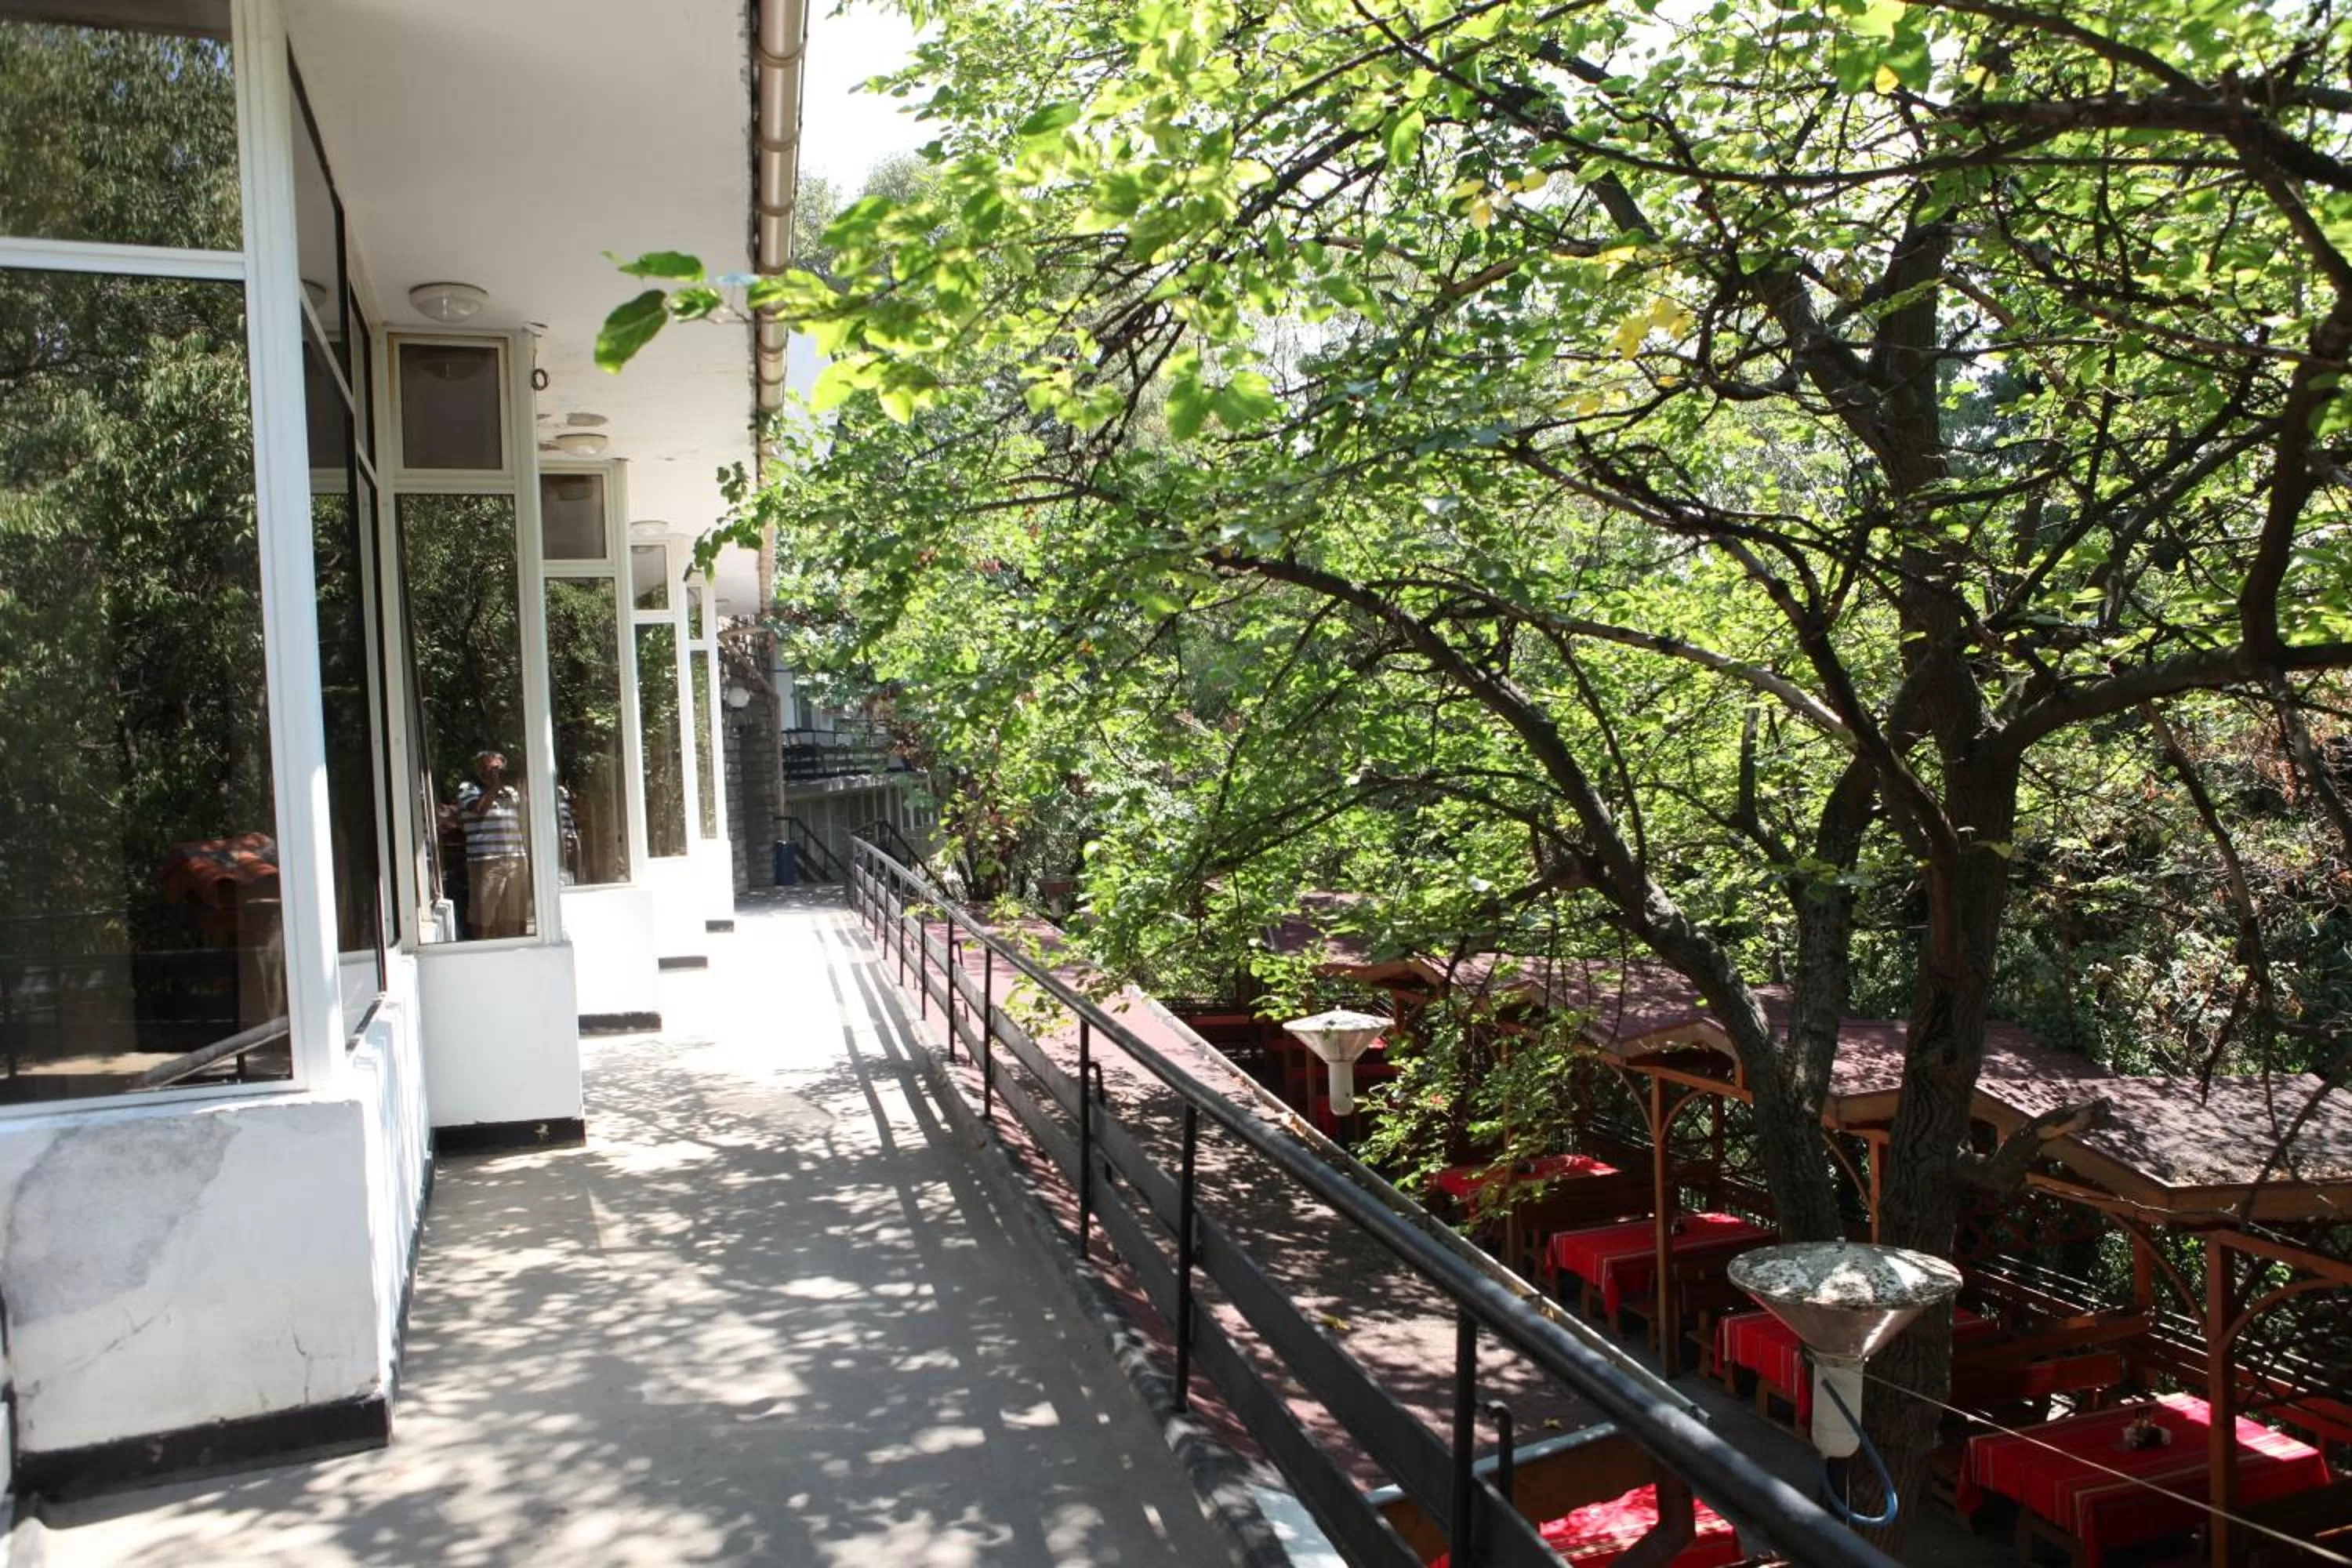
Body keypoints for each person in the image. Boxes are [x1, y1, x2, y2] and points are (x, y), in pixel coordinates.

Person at [456, 750, 530, 938]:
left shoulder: (511, 792)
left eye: (500, 768)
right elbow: (479, 809)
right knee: (483, 914)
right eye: (492, 767)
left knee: (517, 912)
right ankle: (481, 952)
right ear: (481, 769)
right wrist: (495, 786)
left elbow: (525, 817)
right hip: (486, 861)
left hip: (515, 858)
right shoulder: (468, 788)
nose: (497, 771)